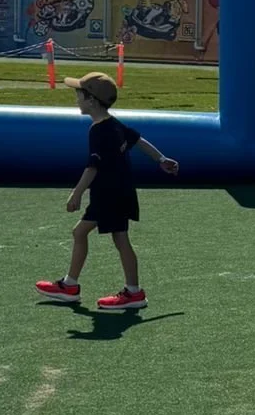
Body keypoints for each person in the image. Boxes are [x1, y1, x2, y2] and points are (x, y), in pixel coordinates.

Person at [35, 71, 180, 310]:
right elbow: (139, 140)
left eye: (79, 95)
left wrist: (76, 194)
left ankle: (74, 287)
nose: (76, 99)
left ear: (91, 100)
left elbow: (92, 167)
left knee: (82, 233)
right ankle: (128, 291)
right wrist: (161, 159)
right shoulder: (113, 125)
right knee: (117, 238)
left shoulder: (99, 131)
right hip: (119, 192)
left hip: (109, 195)